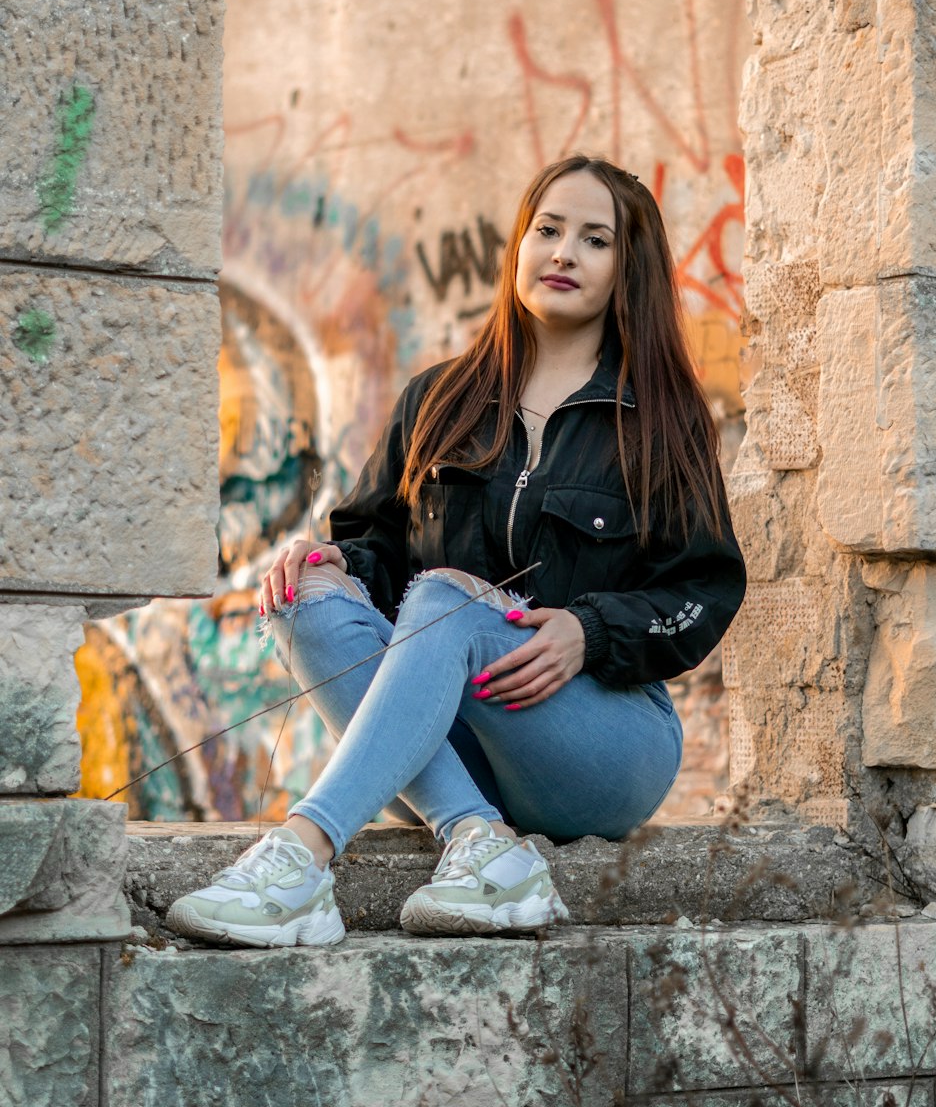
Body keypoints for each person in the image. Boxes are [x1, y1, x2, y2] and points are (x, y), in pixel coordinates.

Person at [166, 155, 747, 949]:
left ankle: (303, 855)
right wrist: (335, 565)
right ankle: (479, 840)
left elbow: (704, 590)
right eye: (547, 229)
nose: (563, 253)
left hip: (601, 744)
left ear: (627, 270)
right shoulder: (439, 400)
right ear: (519, 247)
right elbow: (376, 546)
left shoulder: (662, 423)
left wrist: (591, 631)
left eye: (595, 239)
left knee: (451, 598)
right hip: (460, 738)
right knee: (305, 595)